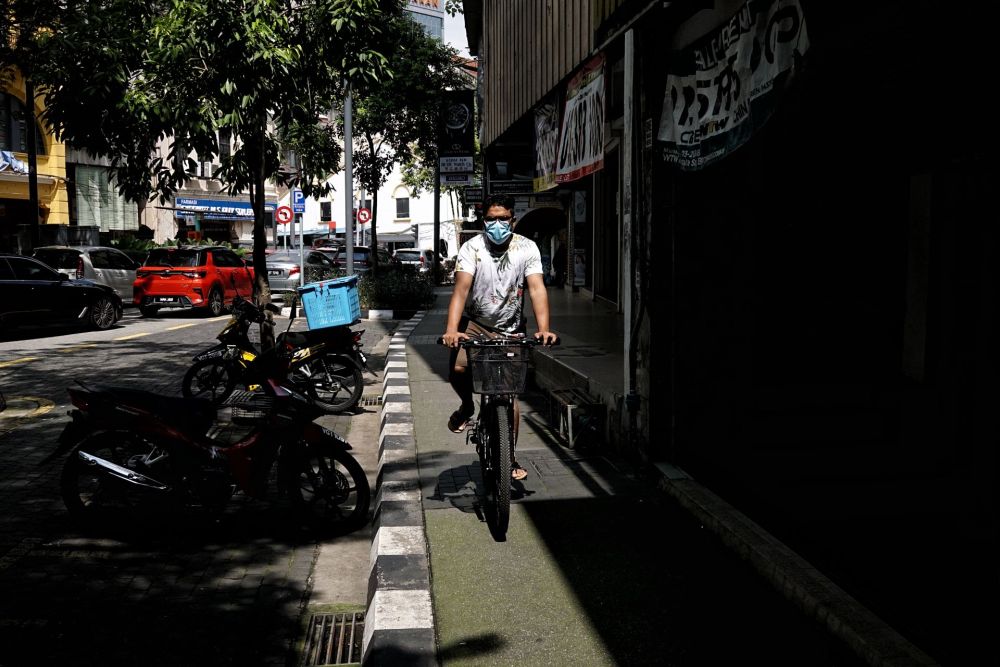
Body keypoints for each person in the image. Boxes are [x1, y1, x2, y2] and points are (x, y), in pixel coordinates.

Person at [441, 194, 558, 480]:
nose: (497, 224)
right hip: (476, 323)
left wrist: (544, 328)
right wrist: (452, 329)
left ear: (512, 220)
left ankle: (510, 457)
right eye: (491, 219)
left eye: (502, 218)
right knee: (457, 367)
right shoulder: (472, 247)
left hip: (511, 328)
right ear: (484, 220)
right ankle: (467, 406)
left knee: (508, 395)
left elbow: (537, 288)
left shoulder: (526, 248)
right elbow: (461, 291)